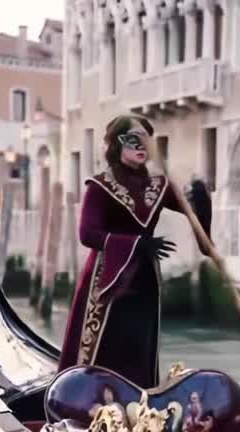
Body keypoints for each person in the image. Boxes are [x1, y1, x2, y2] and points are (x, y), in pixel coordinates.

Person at [58, 113, 211, 389]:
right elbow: (87, 234)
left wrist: (200, 197)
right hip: (108, 282)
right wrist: (137, 243)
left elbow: (195, 217)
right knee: (104, 350)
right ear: (116, 145)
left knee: (139, 349)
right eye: (132, 139)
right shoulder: (100, 187)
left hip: (144, 283)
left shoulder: (158, 186)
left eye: (146, 140)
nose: (141, 146)